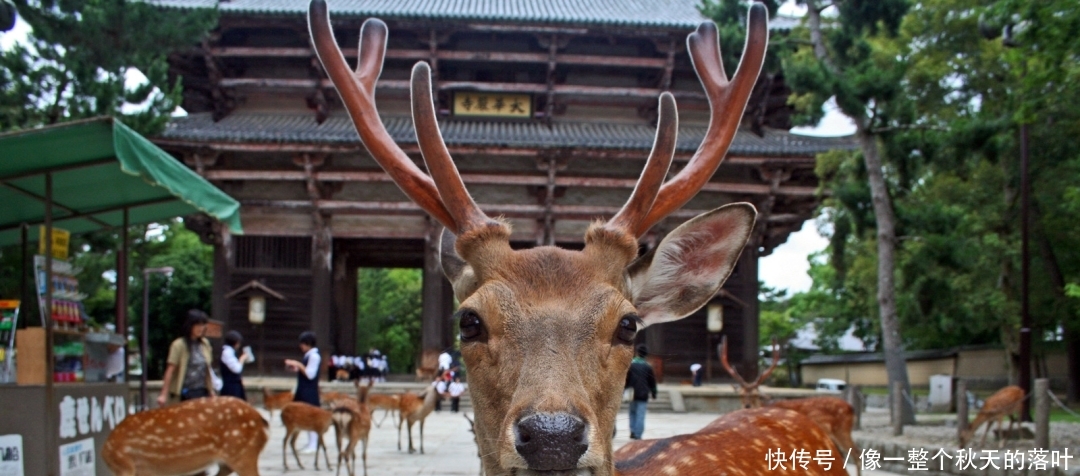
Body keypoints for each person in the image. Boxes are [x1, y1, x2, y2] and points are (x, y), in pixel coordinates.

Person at [157, 310, 216, 406]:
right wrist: (163, 394)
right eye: (197, 325)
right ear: (190, 325)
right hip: (184, 392)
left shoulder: (205, 344)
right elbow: (170, 370)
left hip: (201, 391)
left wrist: (211, 390)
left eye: (202, 325)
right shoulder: (178, 345)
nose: (200, 328)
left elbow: (207, 369)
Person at [285, 331, 321, 453]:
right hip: (303, 388)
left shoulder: (314, 356)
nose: (301, 346)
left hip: (309, 390)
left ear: (308, 344)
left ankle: (314, 444)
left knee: (311, 416)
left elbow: (310, 375)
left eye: (303, 344)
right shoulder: (308, 356)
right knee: (304, 415)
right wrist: (296, 368)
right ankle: (310, 443)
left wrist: (299, 365)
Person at [624, 345, 657, 440]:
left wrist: (624, 390)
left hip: (632, 393)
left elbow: (626, 379)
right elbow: (652, 381)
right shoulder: (648, 367)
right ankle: (638, 434)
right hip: (643, 394)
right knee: (640, 415)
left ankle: (633, 431)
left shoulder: (631, 365)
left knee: (632, 413)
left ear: (637, 353)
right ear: (646, 355)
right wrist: (654, 393)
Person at [219, 331, 251, 400]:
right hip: (231, 387)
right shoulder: (227, 352)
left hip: (235, 386)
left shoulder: (230, 351)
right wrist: (242, 359)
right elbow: (236, 369)